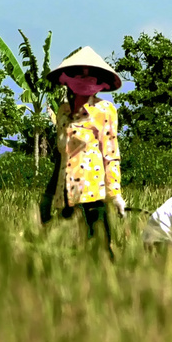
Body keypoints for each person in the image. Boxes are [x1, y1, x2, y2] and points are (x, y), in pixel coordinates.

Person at [40, 46, 125, 252]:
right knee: (67, 253)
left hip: (93, 195)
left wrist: (115, 195)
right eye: (80, 73)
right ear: (68, 77)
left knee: (99, 251)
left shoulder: (104, 110)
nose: (85, 78)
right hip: (66, 196)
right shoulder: (63, 111)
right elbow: (62, 158)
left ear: (100, 81)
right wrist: (48, 197)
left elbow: (110, 155)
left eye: (91, 74)